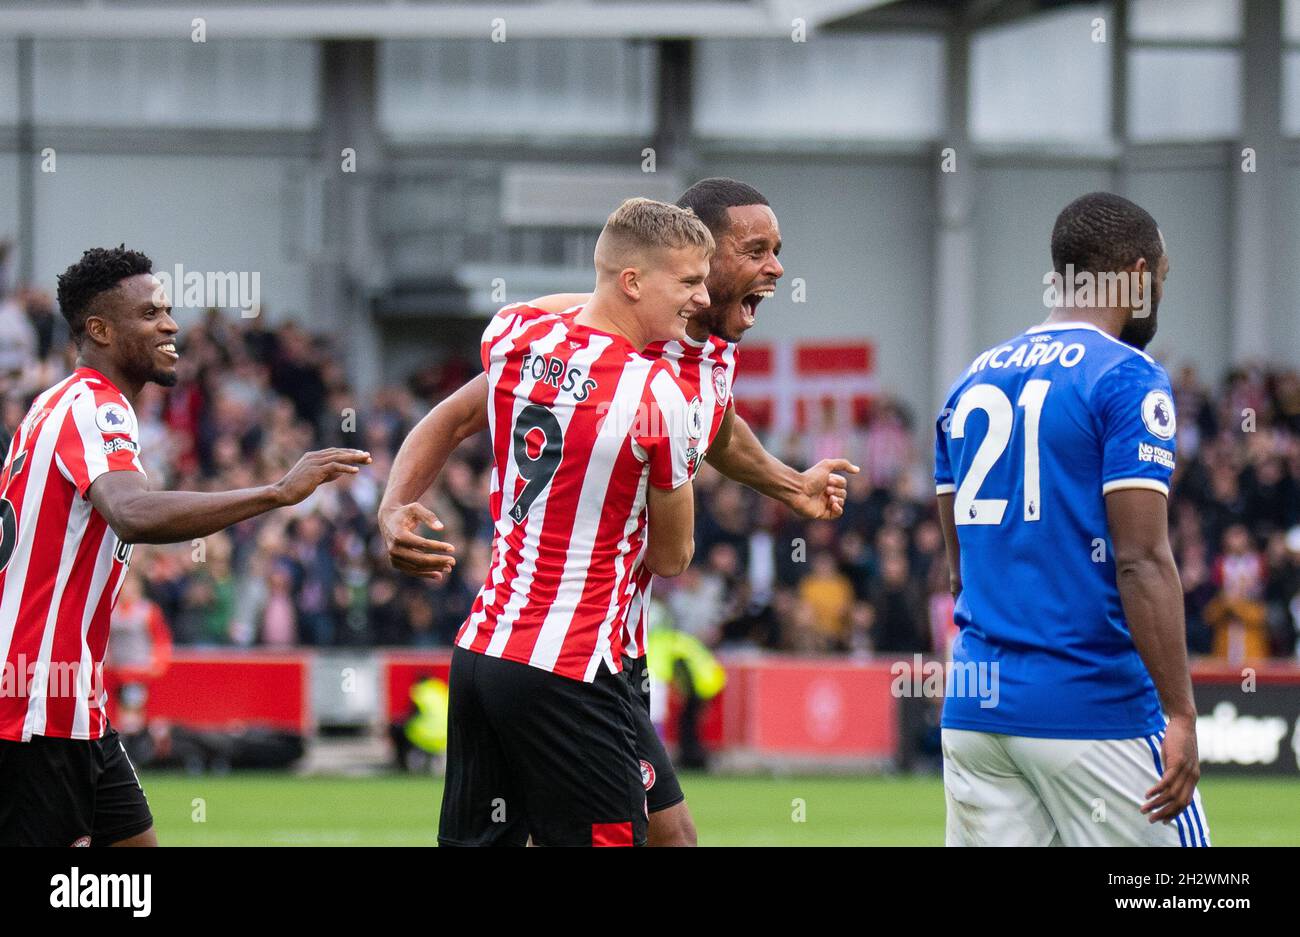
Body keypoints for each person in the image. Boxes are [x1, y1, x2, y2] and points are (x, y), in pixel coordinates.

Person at [380, 179, 858, 845]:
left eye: (779, 251)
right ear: (698, 256)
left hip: (558, 647)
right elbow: (458, 414)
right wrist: (394, 504)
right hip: (576, 658)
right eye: (756, 251)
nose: (776, 268)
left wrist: (788, 483)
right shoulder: (640, 366)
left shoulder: (585, 338)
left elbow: (715, 429)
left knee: (671, 838)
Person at [0, 245, 370, 847]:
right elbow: (134, 514)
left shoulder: (54, 403)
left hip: (68, 697)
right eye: (149, 314)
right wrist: (277, 492)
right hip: (34, 702)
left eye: (168, 310)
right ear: (99, 329)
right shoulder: (95, 407)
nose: (171, 324)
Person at [421, 198, 709, 846]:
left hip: (483, 652)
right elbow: (672, 556)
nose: (700, 298)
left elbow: (569, 312)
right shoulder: (657, 392)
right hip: (573, 669)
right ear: (634, 282)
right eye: (688, 282)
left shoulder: (511, 332)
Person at [934, 192, 1210, 846]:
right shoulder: (1126, 377)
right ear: (1136, 274)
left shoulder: (970, 380)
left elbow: (959, 571)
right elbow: (1141, 559)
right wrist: (1181, 712)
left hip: (977, 711)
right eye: (1161, 280)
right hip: (1092, 706)